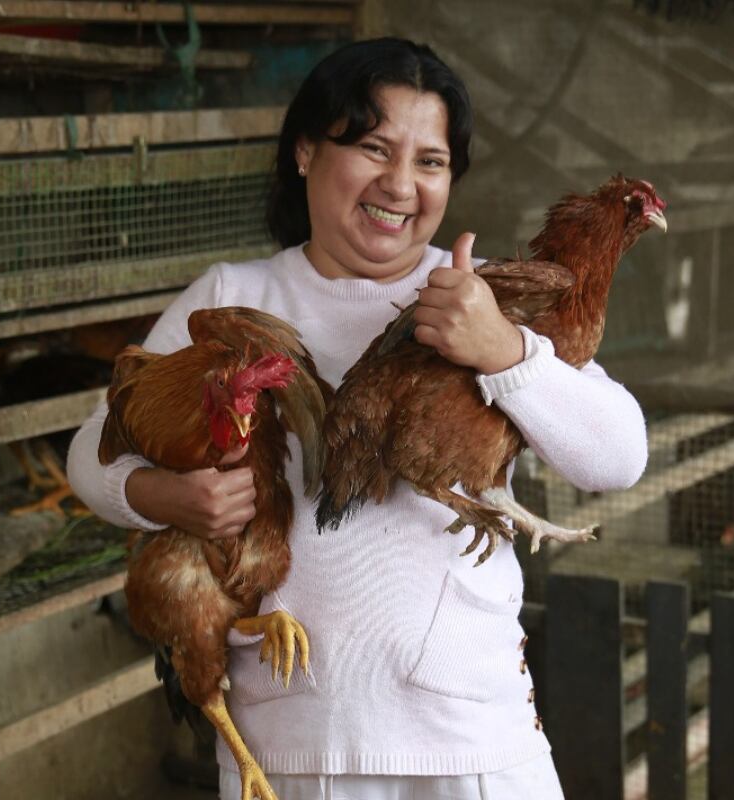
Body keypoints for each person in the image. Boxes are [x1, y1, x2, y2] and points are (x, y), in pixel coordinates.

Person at [67, 36, 648, 800]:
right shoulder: (233, 300)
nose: (400, 184)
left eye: (431, 161)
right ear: (306, 151)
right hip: (290, 749)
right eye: (374, 148)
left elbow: (619, 457)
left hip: (474, 740)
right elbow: (92, 451)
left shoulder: (482, 294)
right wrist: (164, 496)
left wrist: (504, 351)